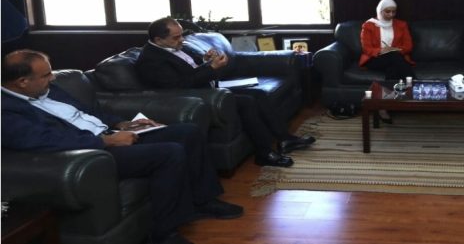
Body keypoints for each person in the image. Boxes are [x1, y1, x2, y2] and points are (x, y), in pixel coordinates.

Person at [1, 50, 243, 244]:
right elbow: (45, 140)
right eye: (46, 75)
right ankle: (164, 234)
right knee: (170, 153)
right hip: (94, 152)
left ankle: (203, 200)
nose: (52, 78)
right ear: (22, 82)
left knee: (188, 132)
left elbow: (89, 112)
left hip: (110, 134)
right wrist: (105, 141)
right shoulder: (7, 111)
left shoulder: (46, 88)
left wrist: (122, 123)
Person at [135, 17, 315, 168]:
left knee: (258, 93)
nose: (182, 39)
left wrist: (205, 60)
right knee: (247, 102)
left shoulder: (175, 45)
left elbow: (191, 66)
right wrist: (211, 68)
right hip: (197, 98)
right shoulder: (151, 60)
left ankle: (285, 139)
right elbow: (181, 85)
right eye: (176, 37)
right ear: (158, 40)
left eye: (181, 34)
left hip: (211, 88)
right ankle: (264, 153)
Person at [359, 0, 415, 123]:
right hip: (375, 59)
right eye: (388, 11)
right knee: (394, 57)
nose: (391, 14)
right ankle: (414, 84)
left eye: (394, 12)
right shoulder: (369, 25)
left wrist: (393, 49)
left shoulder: (401, 25)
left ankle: (383, 106)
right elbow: (366, 48)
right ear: (380, 11)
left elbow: (408, 46)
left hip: (394, 58)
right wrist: (382, 50)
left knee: (392, 66)